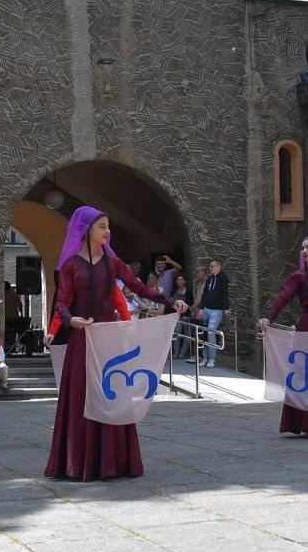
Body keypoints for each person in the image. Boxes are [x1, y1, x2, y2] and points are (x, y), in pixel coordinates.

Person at [44, 206, 186, 481]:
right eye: (102, 227)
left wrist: (171, 302)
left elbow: (140, 288)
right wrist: (71, 320)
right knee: (82, 397)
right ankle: (78, 462)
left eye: (108, 226)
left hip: (109, 338)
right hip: (83, 338)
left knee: (111, 394)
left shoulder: (114, 263)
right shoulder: (70, 265)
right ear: (86, 230)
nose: (108, 232)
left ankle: (113, 460)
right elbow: (61, 301)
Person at [259, 235, 308, 437]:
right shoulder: (300, 276)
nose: (304, 251)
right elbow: (284, 296)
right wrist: (269, 317)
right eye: (302, 248)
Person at [194, 260, 229, 368]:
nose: (210, 268)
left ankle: (212, 358)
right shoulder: (209, 279)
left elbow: (225, 293)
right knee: (204, 332)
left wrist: (226, 308)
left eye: (212, 266)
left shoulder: (223, 278)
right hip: (206, 309)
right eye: (210, 266)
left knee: (211, 331)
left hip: (216, 310)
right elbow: (205, 294)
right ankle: (205, 357)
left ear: (218, 267)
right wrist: (201, 309)